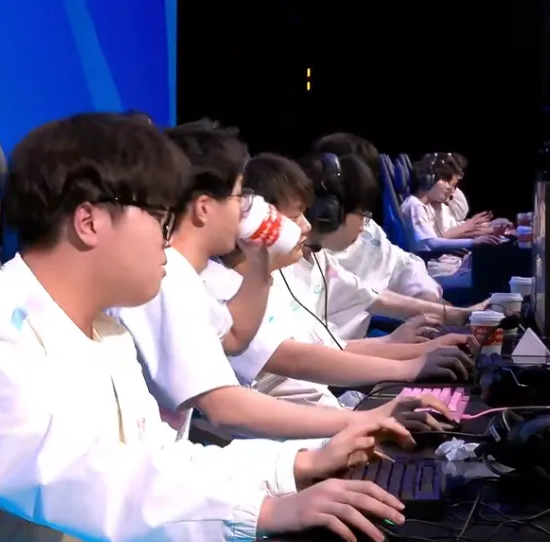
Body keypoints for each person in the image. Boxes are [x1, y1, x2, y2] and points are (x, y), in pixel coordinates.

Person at [0, 113, 411, 542]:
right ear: (89, 221)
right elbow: (77, 480)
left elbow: (159, 460)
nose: (167, 240)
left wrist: (298, 464)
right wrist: (265, 511)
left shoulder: (106, 333)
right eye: (160, 219)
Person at [112, 119, 454, 442]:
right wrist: (371, 412)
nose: (246, 209)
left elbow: (234, 335)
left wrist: (260, 260)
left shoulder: (192, 276)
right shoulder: (169, 277)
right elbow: (227, 407)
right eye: (239, 196)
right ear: (204, 207)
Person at [202, 153, 475, 415]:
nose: (307, 225)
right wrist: (411, 367)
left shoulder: (280, 276)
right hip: (299, 433)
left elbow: (327, 347)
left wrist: (420, 350)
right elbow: (299, 359)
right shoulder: (224, 289)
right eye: (296, 216)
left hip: (325, 417)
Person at [312, 133, 443, 303]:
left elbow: (403, 263)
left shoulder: (368, 226)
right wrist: (425, 308)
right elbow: (358, 296)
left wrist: (424, 292)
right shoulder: (310, 243)